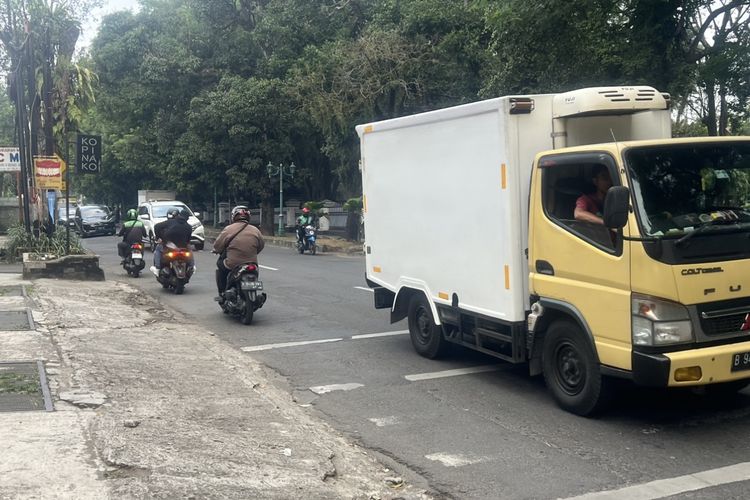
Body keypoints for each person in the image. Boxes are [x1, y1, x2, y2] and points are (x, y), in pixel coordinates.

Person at [213, 205, 265, 297]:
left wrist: (216, 250)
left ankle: (222, 292)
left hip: (233, 264)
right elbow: (261, 245)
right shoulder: (255, 230)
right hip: (252, 263)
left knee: (220, 265)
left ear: (233, 216)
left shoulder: (228, 229)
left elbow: (218, 245)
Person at [151, 208, 180, 272]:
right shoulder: (182, 224)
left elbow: (156, 226)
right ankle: (192, 266)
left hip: (168, 245)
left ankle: (157, 268)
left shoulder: (166, 223)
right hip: (181, 245)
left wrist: (158, 238)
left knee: (157, 250)